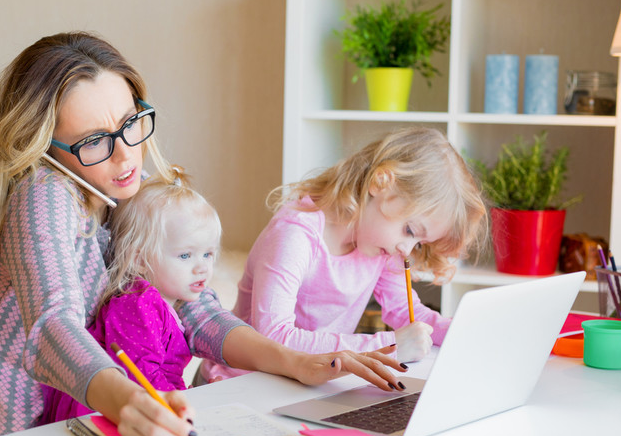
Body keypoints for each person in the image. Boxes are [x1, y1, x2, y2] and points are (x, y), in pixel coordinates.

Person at [0, 30, 408, 436]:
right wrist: (129, 404)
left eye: (131, 124)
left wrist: (298, 362)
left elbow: (198, 311)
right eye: (93, 142)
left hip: (79, 434)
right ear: (44, 148)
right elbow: (52, 327)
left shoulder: (126, 187)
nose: (126, 155)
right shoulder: (43, 193)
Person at [200, 127, 487, 384]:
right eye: (410, 229)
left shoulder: (380, 245)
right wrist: (387, 345)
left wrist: (466, 331)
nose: (407, 249)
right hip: (239, 382)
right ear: (380, 183)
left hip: (310, 381)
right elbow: (273, 338)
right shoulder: (296, 234)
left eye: (420, 243)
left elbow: (409, 313)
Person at [41, 172, 221, 423]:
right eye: (185, 256)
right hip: (95, 415)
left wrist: (189, 397)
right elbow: (142, 377)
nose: (202, 267)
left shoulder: (168, 304)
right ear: (139, 259)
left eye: (208, 254)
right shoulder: (138, 304)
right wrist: (183, 404)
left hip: (139, 407)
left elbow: (164, 376)